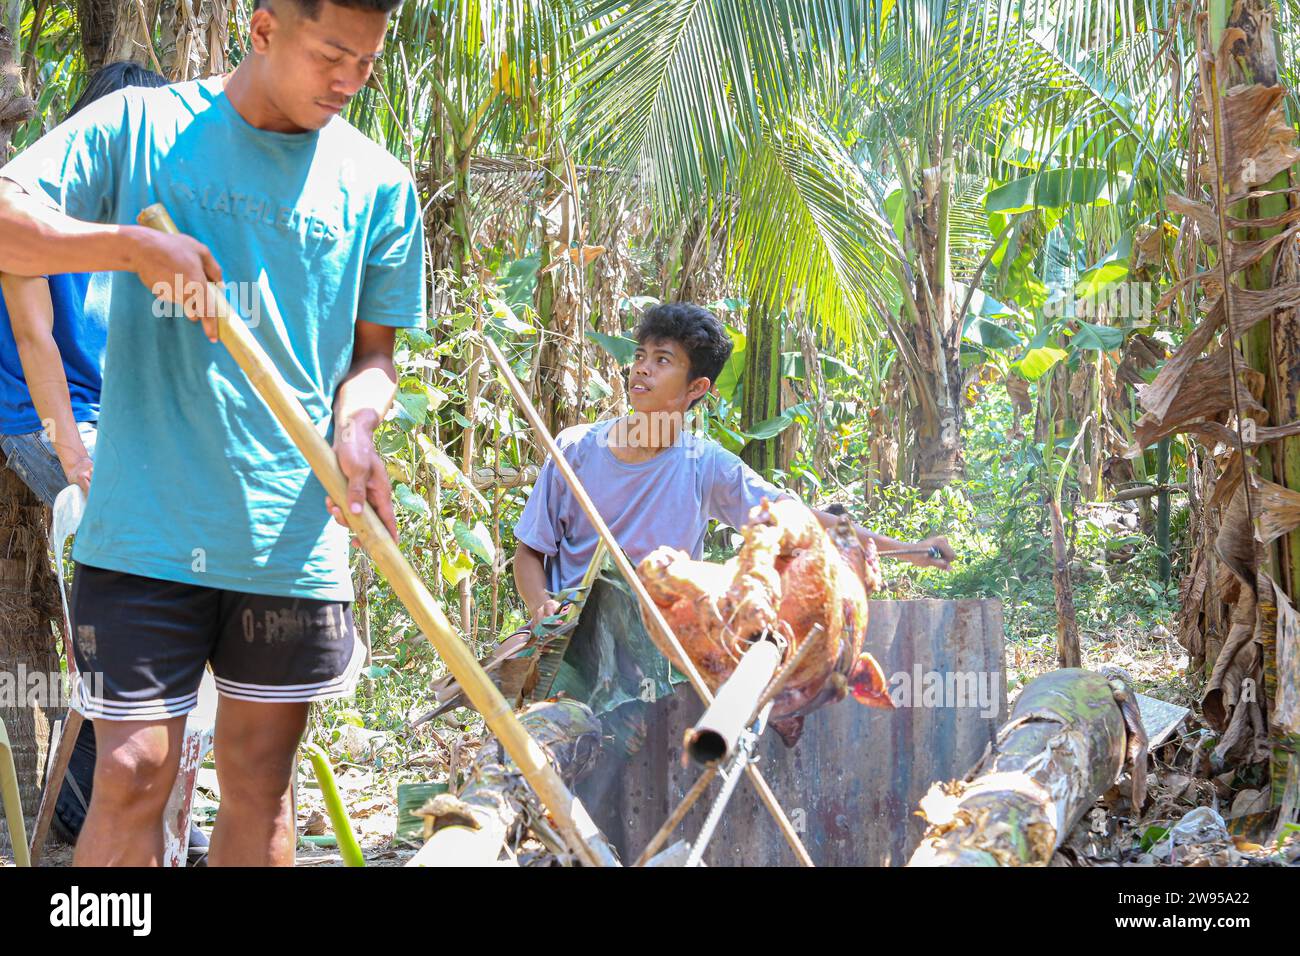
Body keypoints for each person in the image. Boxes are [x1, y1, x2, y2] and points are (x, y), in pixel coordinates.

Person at [0, 0, 425, 866]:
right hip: (143, 526)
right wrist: (130, 249)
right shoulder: (141, 126)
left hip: (288, 537)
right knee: (129, 767)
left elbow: (373, 356)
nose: (349, 83)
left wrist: (357, 428)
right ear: (263, 30)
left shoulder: (379, 182)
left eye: (368, 65)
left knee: (260, 778)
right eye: (331, 56)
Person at [513, 302, 954, 627]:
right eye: (641, 356)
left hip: (665, 650)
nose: (642, 369)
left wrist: (906, 549)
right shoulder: (574, 450)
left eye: (662, 360)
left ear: (696, 387)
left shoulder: (705, 466)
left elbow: (799, 521)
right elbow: (529, 552)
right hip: (569, 644)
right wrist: (540, 610)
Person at [0, 60, 168, 851]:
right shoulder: (40, 209)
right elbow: (44, 347)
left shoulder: (133, 222)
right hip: (44, 420)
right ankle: (96, 777)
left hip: (108, 421)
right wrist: (77, 450)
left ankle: (155, 783)